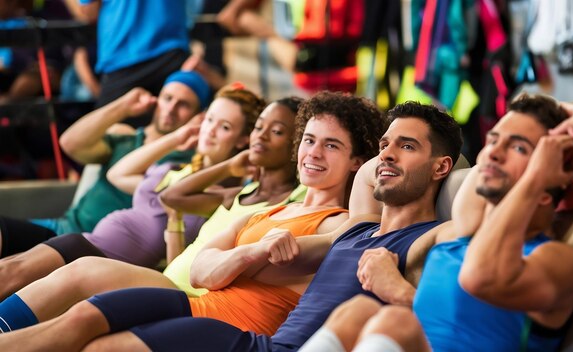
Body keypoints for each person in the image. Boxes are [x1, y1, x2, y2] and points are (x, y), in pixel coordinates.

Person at [0, 99, 461, 351]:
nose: (387, 155)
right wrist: (254, 252)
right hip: (213, 306)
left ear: (440, 167)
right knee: (85, 317)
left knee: (89, 310)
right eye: (385, 144)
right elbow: (207, 269)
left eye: (406, 147)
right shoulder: (359, 229)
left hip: (247, 332)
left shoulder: (381, 230)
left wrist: (395, 287)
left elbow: (459, 285)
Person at [298, 95, 573, 352]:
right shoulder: (469, 224)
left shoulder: (555, 259)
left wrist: (536, 179)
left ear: (548, 173)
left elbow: (479, 277)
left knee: (395, 322)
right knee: (358, 311)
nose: (493, 153)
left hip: (407, 334)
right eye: (493, 140)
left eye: (519, 148)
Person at [0, 87, 268, 299]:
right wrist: (176, 137)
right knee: (8, 271)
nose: (209, 131)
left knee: (10, 275)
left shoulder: (226, 196)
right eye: (209, 120)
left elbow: (178, 268)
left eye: (224, 127)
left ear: (243, 140)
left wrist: (174, 222)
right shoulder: (177, 170)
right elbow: (117, 174)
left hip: (103, 261)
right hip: (81, 241)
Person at [0, 70, 210, 256]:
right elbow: (70, 143)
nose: (171, 109)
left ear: (197, 115)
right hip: (62, 227)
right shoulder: (125, 136)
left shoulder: (188, 163)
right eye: (168, 98)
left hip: (96, 246)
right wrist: (123, 107)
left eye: (183, 104)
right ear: (157, 99)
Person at [74, 0, 192, 126]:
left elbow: (89, 12)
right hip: (171, 50)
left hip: (122, 56)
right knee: (179, 134)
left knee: (103, 137)